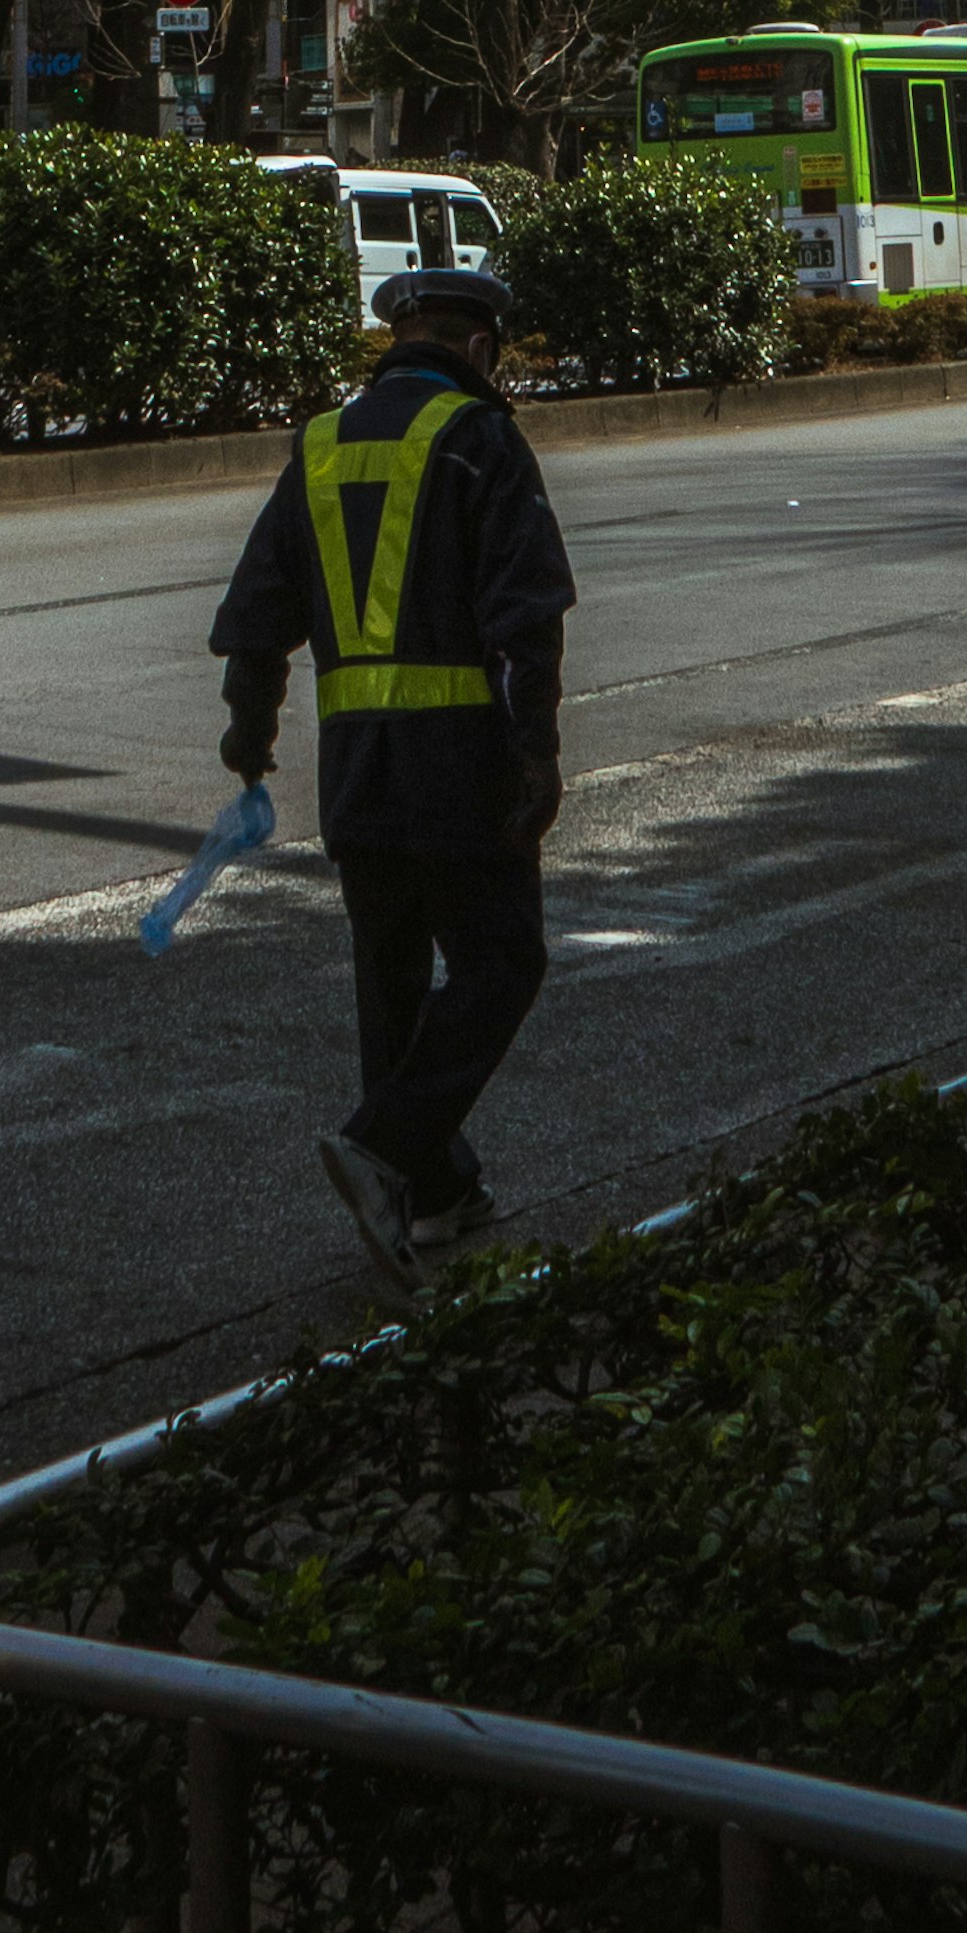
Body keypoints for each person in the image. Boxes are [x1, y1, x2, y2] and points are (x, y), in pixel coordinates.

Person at [211, 258, 573, 1293]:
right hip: (461, 759)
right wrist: (537, 751)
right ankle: (382, 1145)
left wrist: (250, 732)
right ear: (476, 347)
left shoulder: (319, 444)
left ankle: (434, 1191)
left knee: (393, 979)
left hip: (357, 769)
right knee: (503, 961)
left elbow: (257, 613)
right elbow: (526, 618)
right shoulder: (480, 439)